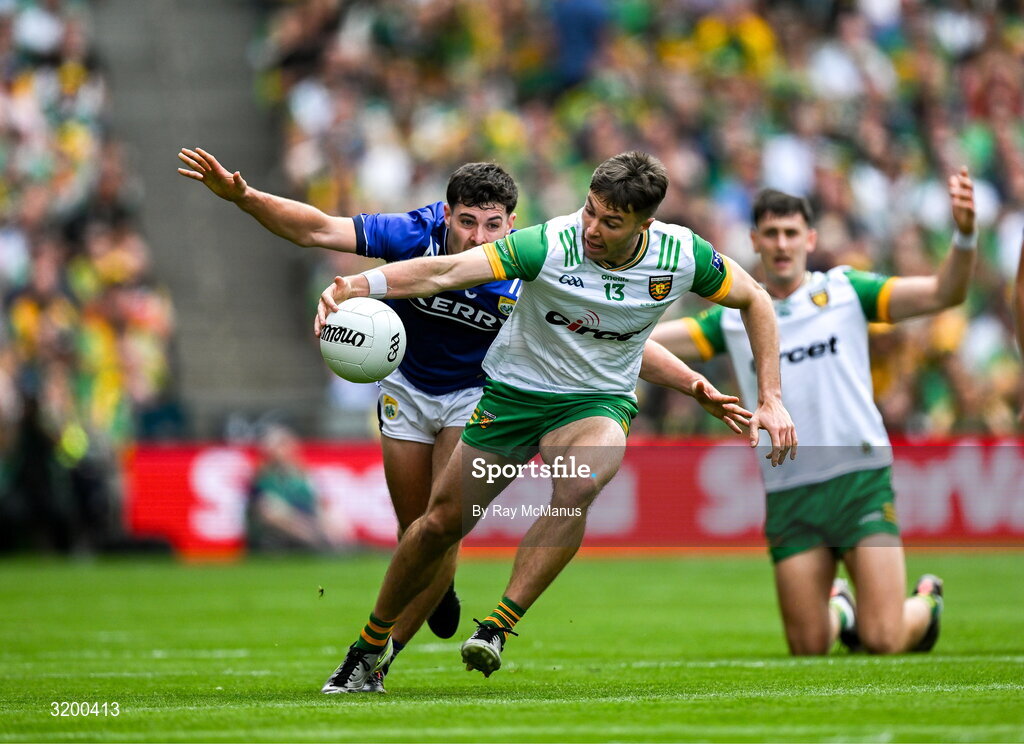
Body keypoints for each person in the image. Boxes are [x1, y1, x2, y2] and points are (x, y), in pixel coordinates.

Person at [178, 147, 752, 691]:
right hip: (407, 386)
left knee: (447, 521)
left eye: (492, 224)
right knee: (418, 531)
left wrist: (692, 383)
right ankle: (438, 585)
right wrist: (246, 197)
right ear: (446, 214)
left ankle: (379, 656)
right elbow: (319, 230)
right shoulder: (413, 236)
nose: (479, 236)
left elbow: (615, 341)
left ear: (511, 223)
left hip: (478, 391)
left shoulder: (530, 261)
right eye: (467, 222)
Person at [651, 168, 977, 655]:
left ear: (810, 239)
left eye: (791, 232)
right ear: (754, 241)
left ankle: (925, 605)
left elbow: (943, 294)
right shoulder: (733, 317)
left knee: (883, 638)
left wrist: (965, 235)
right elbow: (643, 343)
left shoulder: (847, 292)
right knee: (808, 648)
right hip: (790, 489)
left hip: (858, 480)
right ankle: (841, 609)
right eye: (771, 233)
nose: (782, 244)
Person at [246, 424, 332, 552]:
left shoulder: (303, 473)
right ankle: (318, 544)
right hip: (281, 522)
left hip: (307, 517)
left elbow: (316, 499)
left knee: (330, 511)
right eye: (280, 446)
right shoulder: (262, 476)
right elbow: (262, 505)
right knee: (274, 510)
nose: (285, 450)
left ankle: (339, 544)